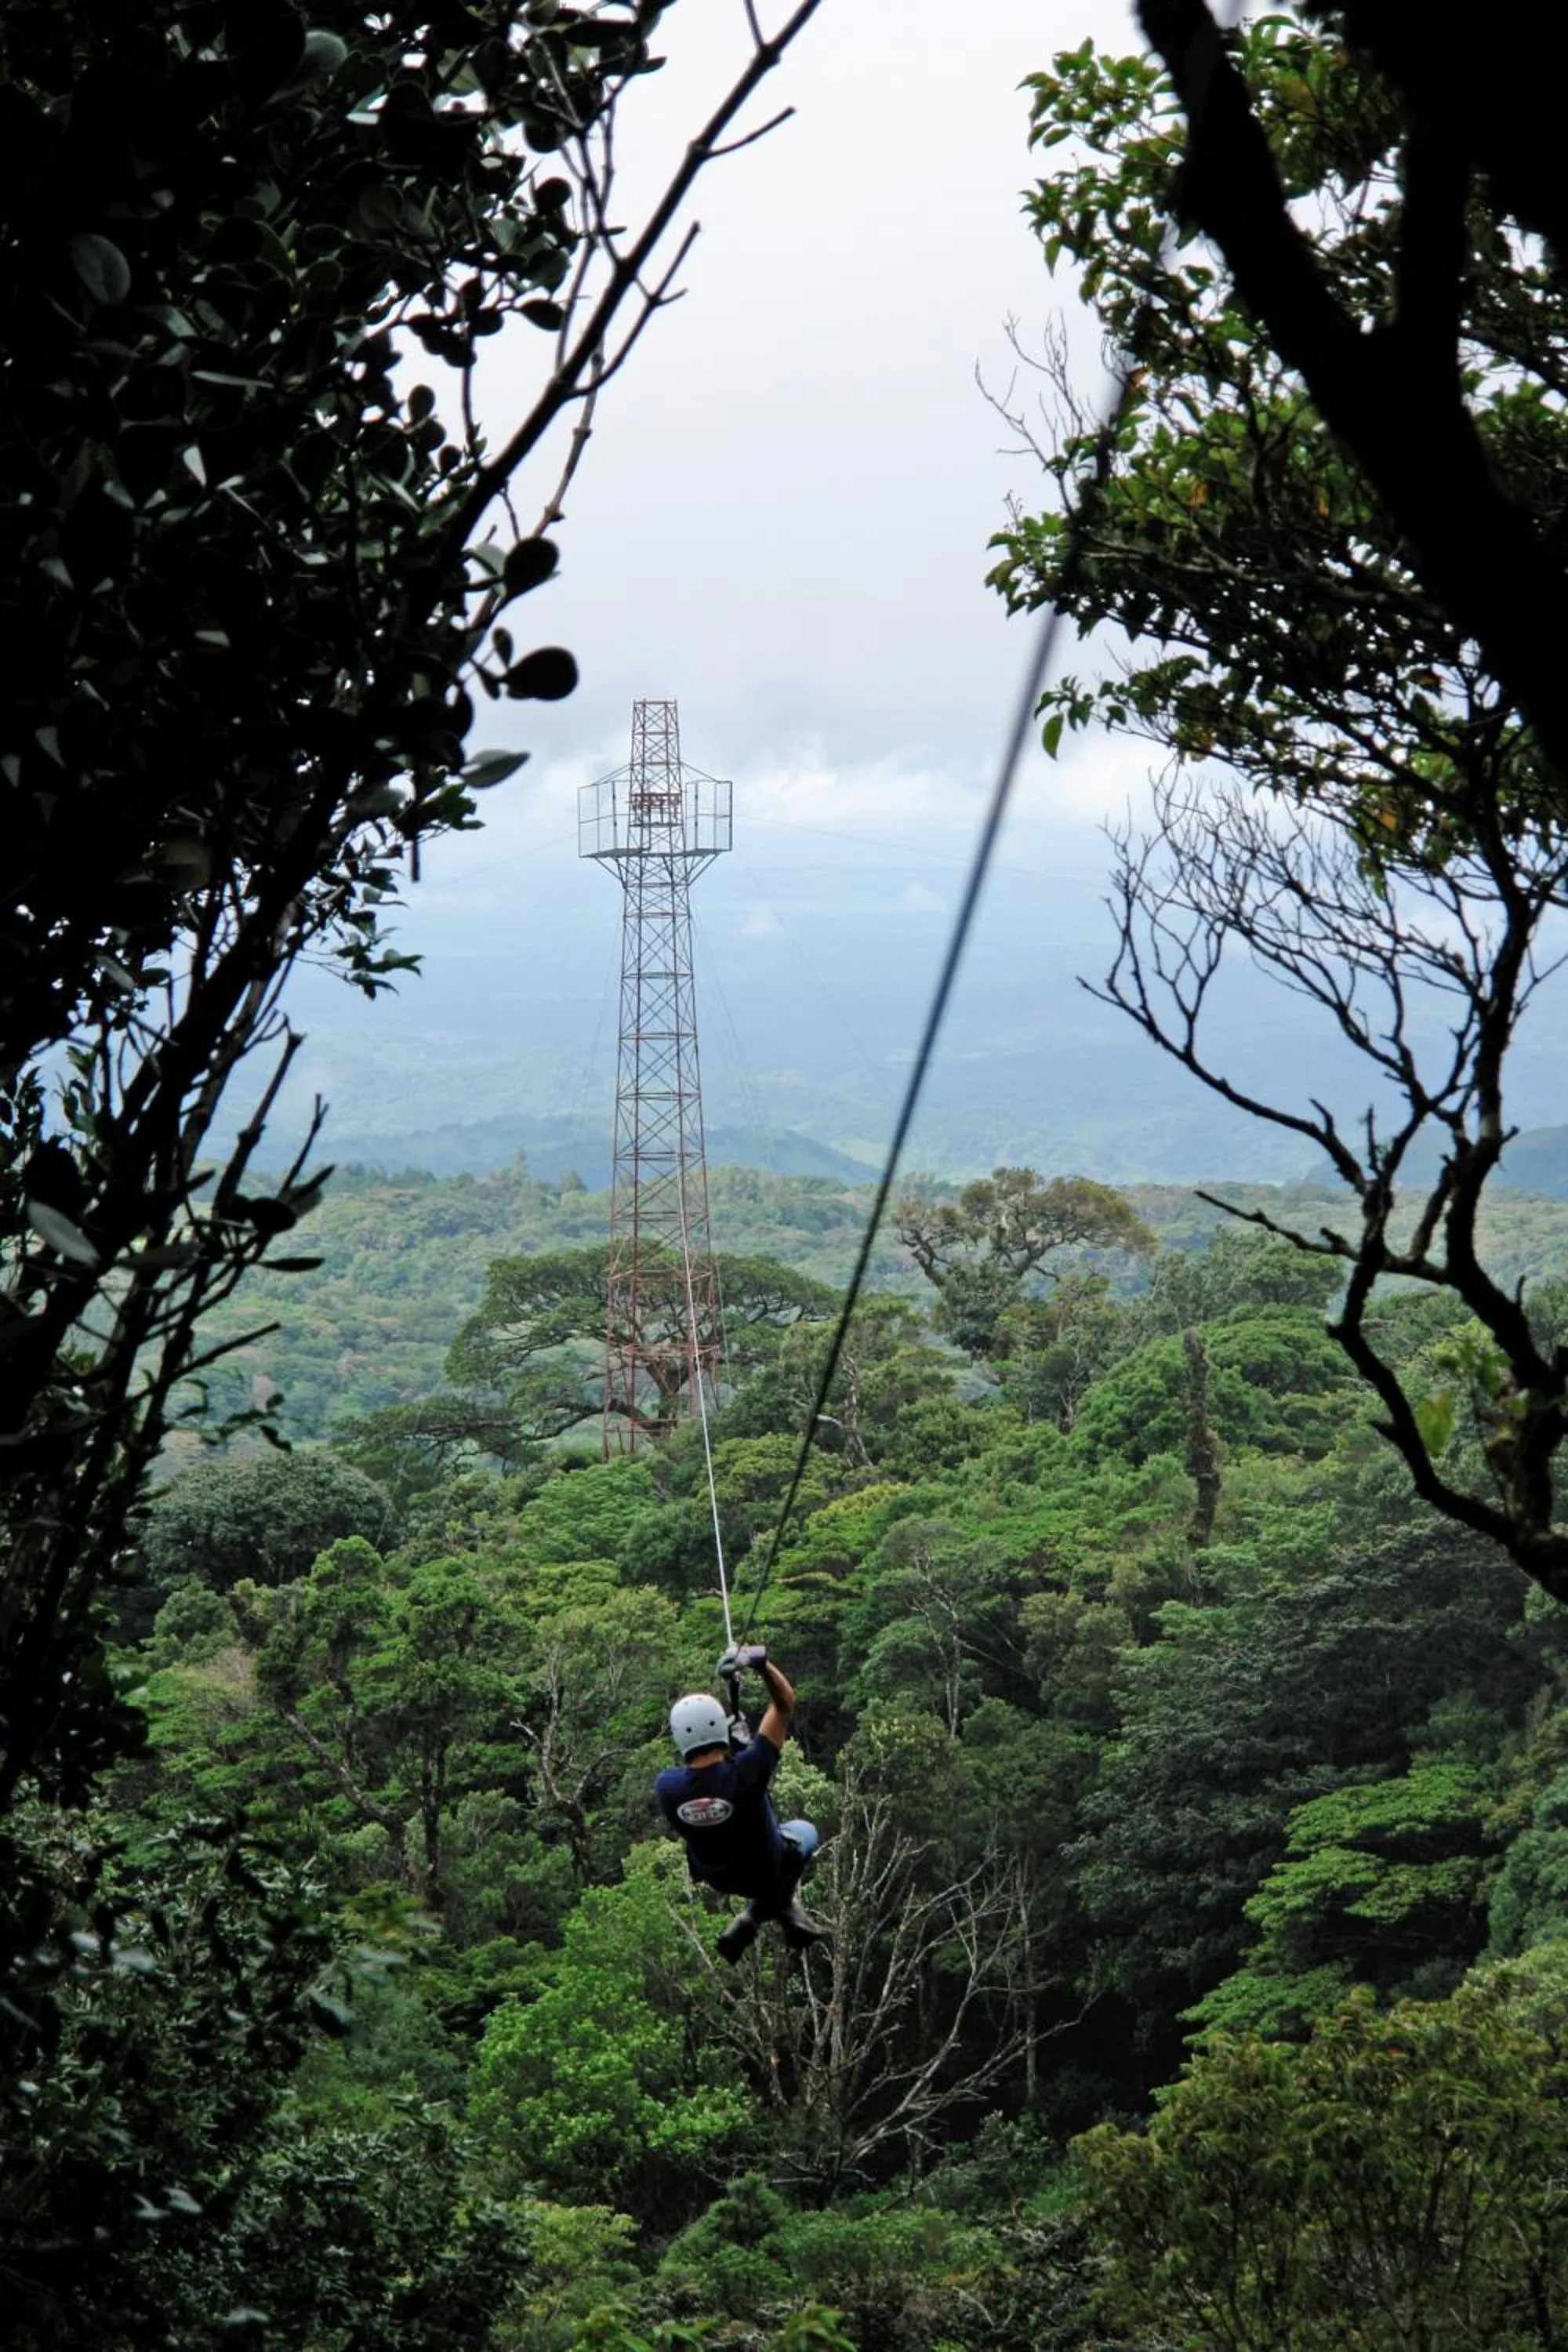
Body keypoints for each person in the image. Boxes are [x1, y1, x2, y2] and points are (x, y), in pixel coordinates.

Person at [655, 1647, 827, 1962]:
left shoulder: (667, 1787)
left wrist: (735, 1748)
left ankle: (761, 1916)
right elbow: (784, 1703)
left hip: (719, 1877)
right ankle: (763, 1913)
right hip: (765, 1871)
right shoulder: (749, 1770)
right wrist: (760, 1664)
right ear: (720, 1727)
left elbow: (711, 1781)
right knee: (805, 1831)